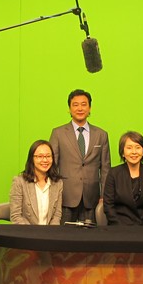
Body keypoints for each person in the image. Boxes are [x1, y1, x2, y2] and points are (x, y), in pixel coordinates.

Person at [49, 89, 111, 224]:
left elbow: (105, 169)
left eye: (84, 104)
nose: (80, 108)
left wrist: (103, 196)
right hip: (66, 196)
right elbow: (51, 165)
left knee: (89, 240)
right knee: (64, 238)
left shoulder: (101, 134)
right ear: (69, 109)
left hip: (92, 198)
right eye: (75, 105)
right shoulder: (58, 133)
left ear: (90, 108)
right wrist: (53, 194)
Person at [103, 131, 143, 226]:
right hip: (119, 227)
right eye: (129, 148)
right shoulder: (114, 173)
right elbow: (108, 205)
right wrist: (119, 225)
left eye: (138, 147)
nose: (134, 152)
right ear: (123, 152)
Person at [9, 140, 63, 225]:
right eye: (40, 156)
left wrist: (51, 234)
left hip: (49, 234)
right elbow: (15, 216)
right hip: (26, 234)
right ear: (32, 159)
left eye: (48, 156)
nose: (45, 160)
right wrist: (32, 234)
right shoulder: (19, 182)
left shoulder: (58, 183)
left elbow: (57, 216)